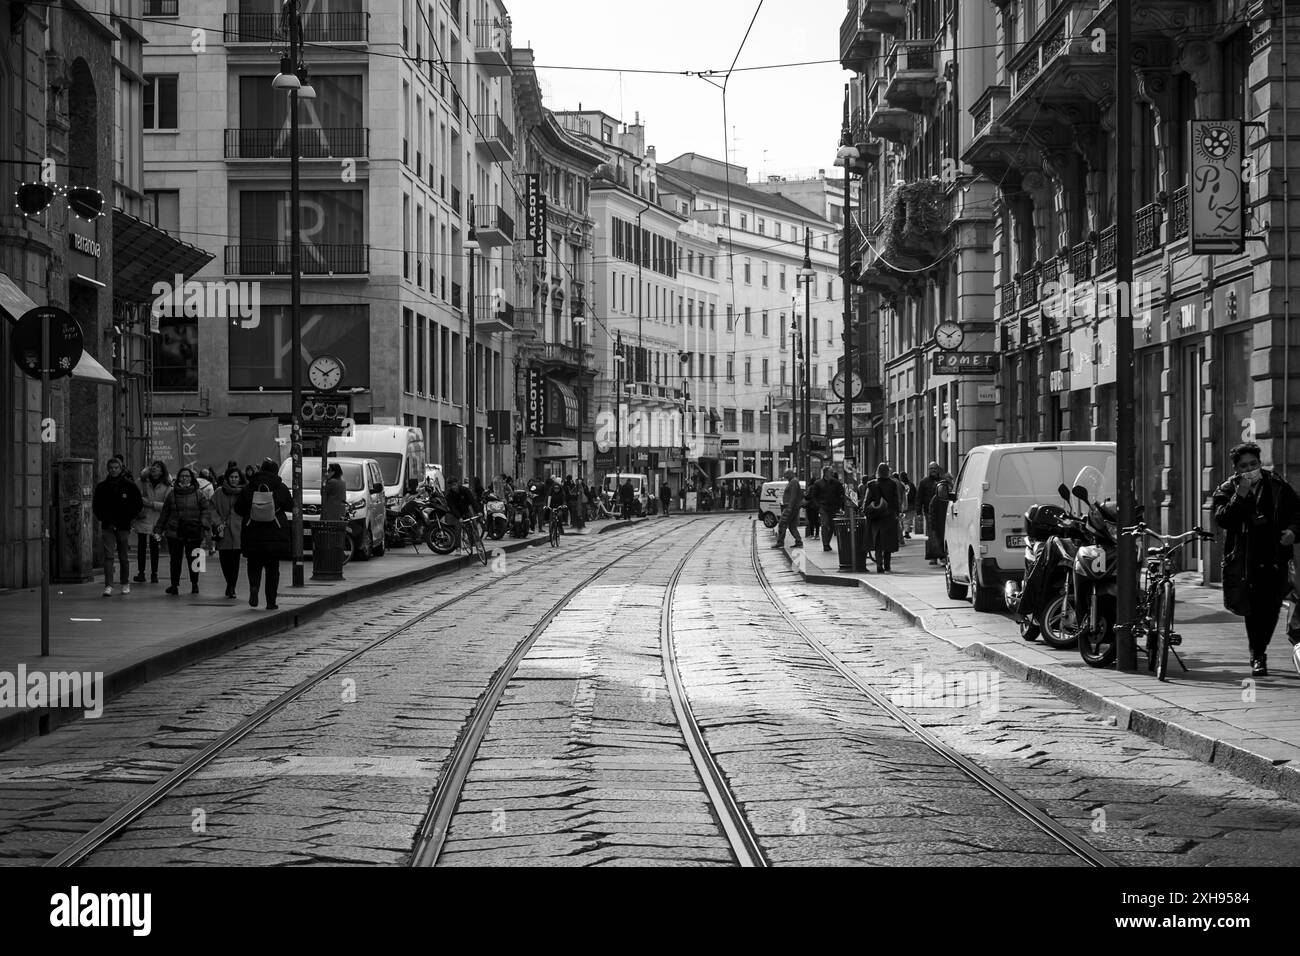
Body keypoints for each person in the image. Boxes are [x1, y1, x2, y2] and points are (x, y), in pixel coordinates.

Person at [1212, 442, 1300, 677]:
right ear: (1236, 469)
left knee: (1271, 608)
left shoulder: (1277, 485)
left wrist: (1292, 531)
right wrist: (1240, 496)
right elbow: (1222, 519)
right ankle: (1258, 654)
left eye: (1254, 464)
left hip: (1275, 556)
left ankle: (1260, 648)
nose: (1250, 468)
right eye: (1244, 466)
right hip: (1245, 558)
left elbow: (1297, 513)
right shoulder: (1228, 489)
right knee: (1253, 608)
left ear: (1260, 464)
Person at [235, 458, 293, 609]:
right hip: (275, 533)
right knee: (273, 569)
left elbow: (238, 508)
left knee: (253, 564)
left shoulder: (249, 487)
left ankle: (254, 587)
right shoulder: (280, 487)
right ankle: (271, 602)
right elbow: (290, 505)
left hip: (252, 533)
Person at [154, 466, 211, 595]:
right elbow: (165, 514)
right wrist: (158, 529)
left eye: (187, 476)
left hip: (194, 531)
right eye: (182, 476)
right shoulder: (172, 494)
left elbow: (206, 511)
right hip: (175, 531)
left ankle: (195, 584)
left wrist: (203, 523)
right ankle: (174, 585)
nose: (184, 478)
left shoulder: (199, 494)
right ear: (178, 478)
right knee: (175, 559)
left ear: (192, 478)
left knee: (195, 559)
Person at [92, 457, 144, 597]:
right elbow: (96, 506)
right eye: (111, 468)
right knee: (108, 556)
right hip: (108, 525)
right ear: (108, 469)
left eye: (116, 468)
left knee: (123, 556)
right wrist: (104, 518)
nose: (113, 470)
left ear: (121, 469)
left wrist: (128, 518)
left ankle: (124, 583)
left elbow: (137, 504)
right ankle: (108, 585)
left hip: (123, 526)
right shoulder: (102, 487)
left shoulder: (130, 486)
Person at [132, 461, 170, 584]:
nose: (154, 468)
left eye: (158, 467)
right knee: (141, 547)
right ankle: (141, 573)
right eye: (153, 466)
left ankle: (154, 574)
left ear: (162, 471)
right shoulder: (141, 481)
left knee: (155, 548)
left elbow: (168, 505)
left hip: (157, 521)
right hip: (143, 518)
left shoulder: (167, 485)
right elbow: (134, 496)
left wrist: (152, 504)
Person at [212, 466, 245, 599]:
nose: (234, 479)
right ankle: (229, 583)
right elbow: (212, 509)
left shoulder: (244, 492)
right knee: (224, 561)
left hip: (238, 531)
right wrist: (218, 522)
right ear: (227, 478)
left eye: (236, 477)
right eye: (231, 477)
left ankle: (232, 586)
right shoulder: (219, 492)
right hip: (223, 531)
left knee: (235, 561)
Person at [865, 462, 901, 572]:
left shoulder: (871, 484)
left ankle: (879, 565)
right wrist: (897, 512)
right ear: (887, 472)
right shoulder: (893, 484)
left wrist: (868, 511)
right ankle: (887, 565)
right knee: (888, 543)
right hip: (889, 516)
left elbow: (867, 501)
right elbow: (896, 500)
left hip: (876, 517)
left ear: (878, 472)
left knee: (878, 543)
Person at [813, 467, 845, 553]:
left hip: (833, 508)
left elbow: (841, 494)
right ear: (826, 473)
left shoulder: (836, 483)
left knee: (831, 526)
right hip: (823, 507)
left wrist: (839, 506)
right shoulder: (818, 483)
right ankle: (825, 544)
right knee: (825, 524)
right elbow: (814, 496)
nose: (832, 473)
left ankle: (827, 542)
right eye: (830, 472)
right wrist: (818, 506)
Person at [773, 468, 804, 550]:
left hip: (790, 507)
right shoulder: (793, 481)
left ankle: (780, 542)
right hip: (793, 507)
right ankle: (798, 541)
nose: (785, 476)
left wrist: (789, 507)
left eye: (786, 474)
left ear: (791, 474)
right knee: (792, 526)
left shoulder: (793, 482)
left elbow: (793, 495)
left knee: (782, 524)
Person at [899, 471, 917, 539]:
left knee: (903, 519)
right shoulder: (911, 484)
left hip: (903, 504)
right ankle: (906, 532)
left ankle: (904, 531)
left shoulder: (900, 484)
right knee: (908, 519)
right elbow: (915, 494)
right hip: (911, 504)